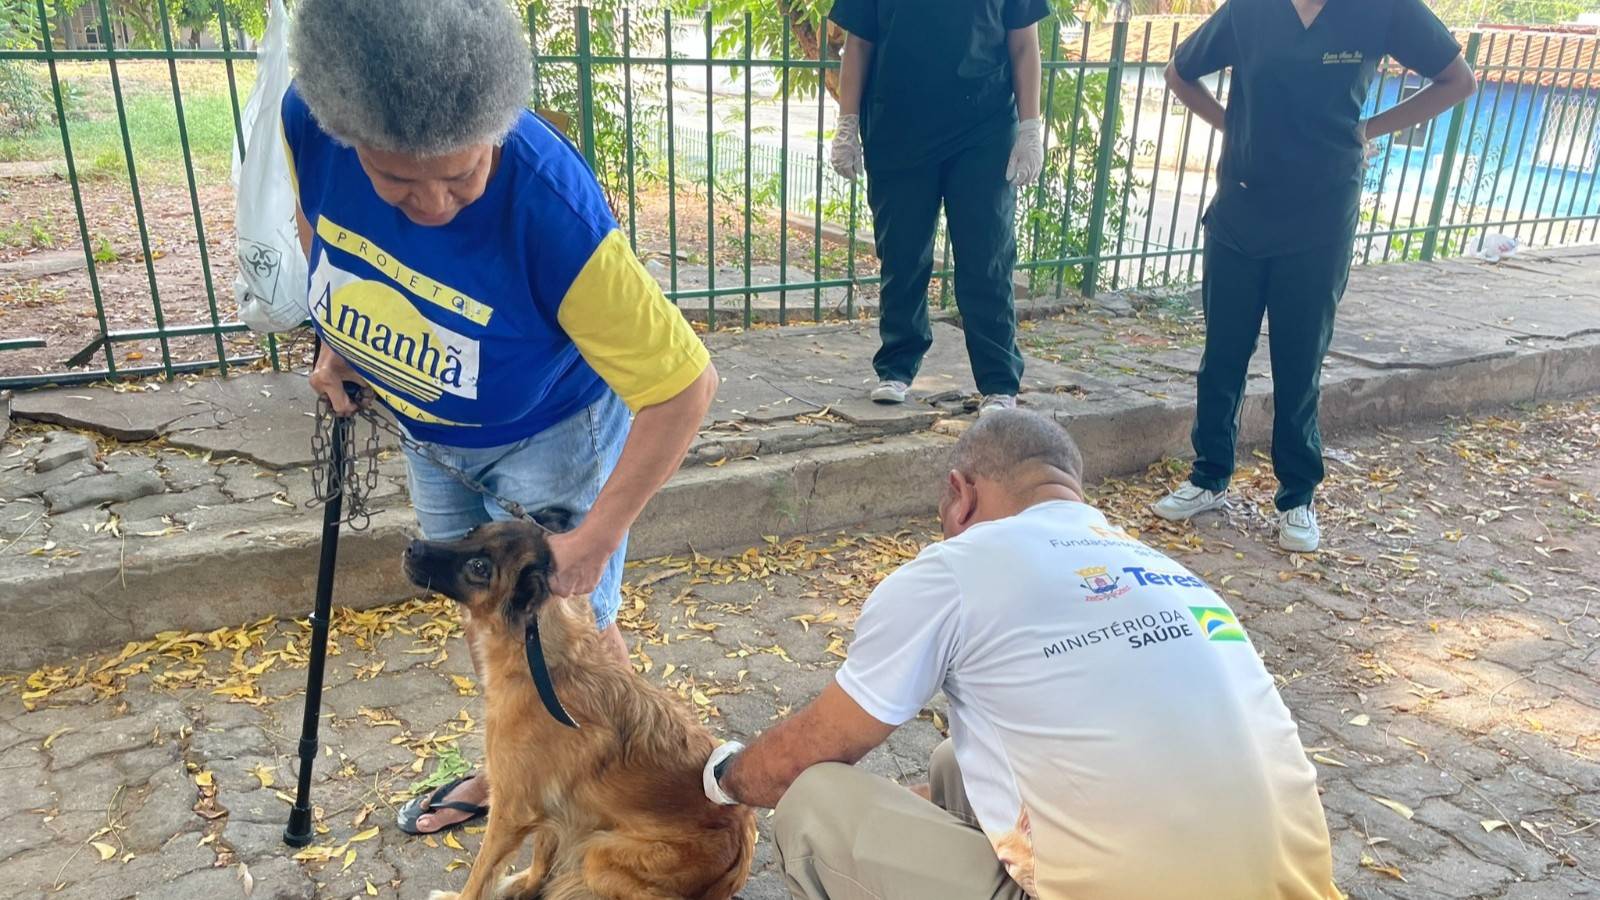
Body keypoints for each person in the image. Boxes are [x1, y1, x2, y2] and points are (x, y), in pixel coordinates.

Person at [283, 0, 717, 835]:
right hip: (430, 429)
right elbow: (323, 229)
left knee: (572, 631)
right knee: (481, 610)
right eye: (398, 181)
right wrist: (337, 337)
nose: (435, 204)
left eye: (460, 176)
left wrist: (592, 539)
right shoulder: (310, 119)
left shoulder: (552, 210)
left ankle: (611, 778)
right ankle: (508, 772)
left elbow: (685, 388)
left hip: (550, 438)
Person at [701, 409, 1337, 899]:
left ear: (961, 494)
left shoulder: (954, 569)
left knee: (817, 803)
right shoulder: (1165, 569)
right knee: (956, 762)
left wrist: (719, 779)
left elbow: (806, 756)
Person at [1153, 0, 1477, 552]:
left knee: (1299, 358)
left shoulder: (1381, 10)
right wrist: (1234, 127)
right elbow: (1179, 72)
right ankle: (1208, 478)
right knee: (1223, 354)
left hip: (1322, 212)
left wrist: (1369, 129)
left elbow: (1457, 80)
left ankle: (1297, 495)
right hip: (1242, 207)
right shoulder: (1249, 10)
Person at [827, 0, 1048, 416]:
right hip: (898, 128)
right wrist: (848, 122)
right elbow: (858, 44)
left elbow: (1023, 42)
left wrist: (1031, 126)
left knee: (987, 256)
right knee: (902, 253)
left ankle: (999, 382)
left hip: (983, 128)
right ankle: (896, 365)